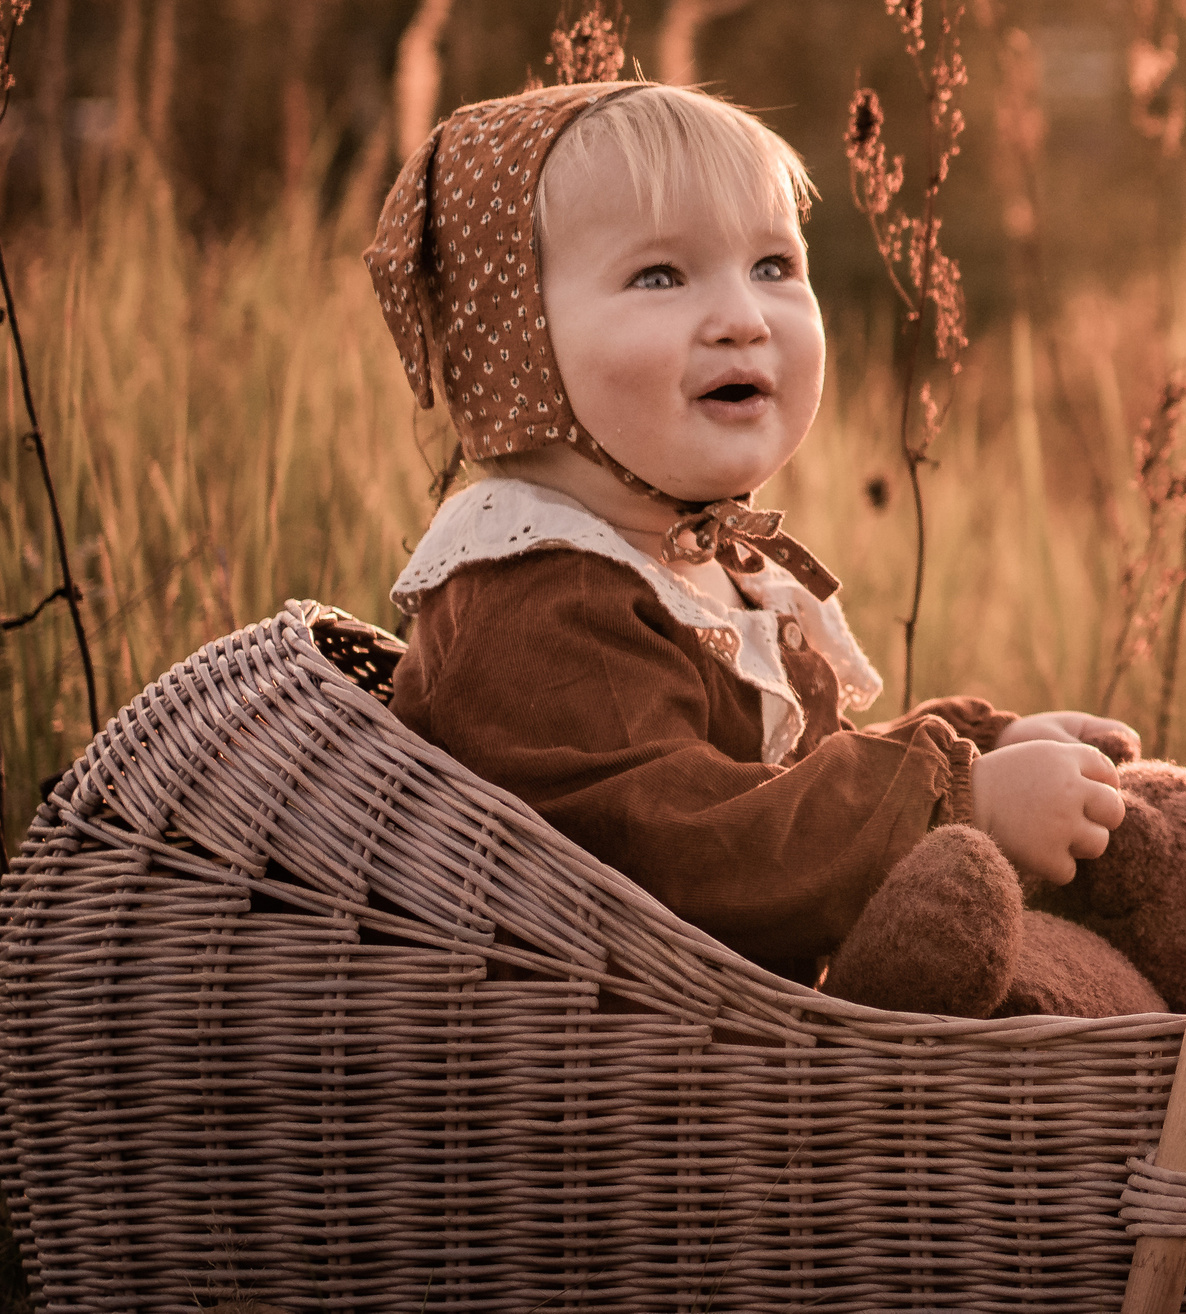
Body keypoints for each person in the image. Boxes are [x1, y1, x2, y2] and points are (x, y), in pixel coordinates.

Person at [364, 80, 1133, 984]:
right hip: (599, 1045)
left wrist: (978, 746)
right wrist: (958, 799)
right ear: (517, 348)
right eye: (660, 276)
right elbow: (698, 848)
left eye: (773, 266)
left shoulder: (689, 559)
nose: (744, 318)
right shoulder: (539, 600)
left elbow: (779, 787)